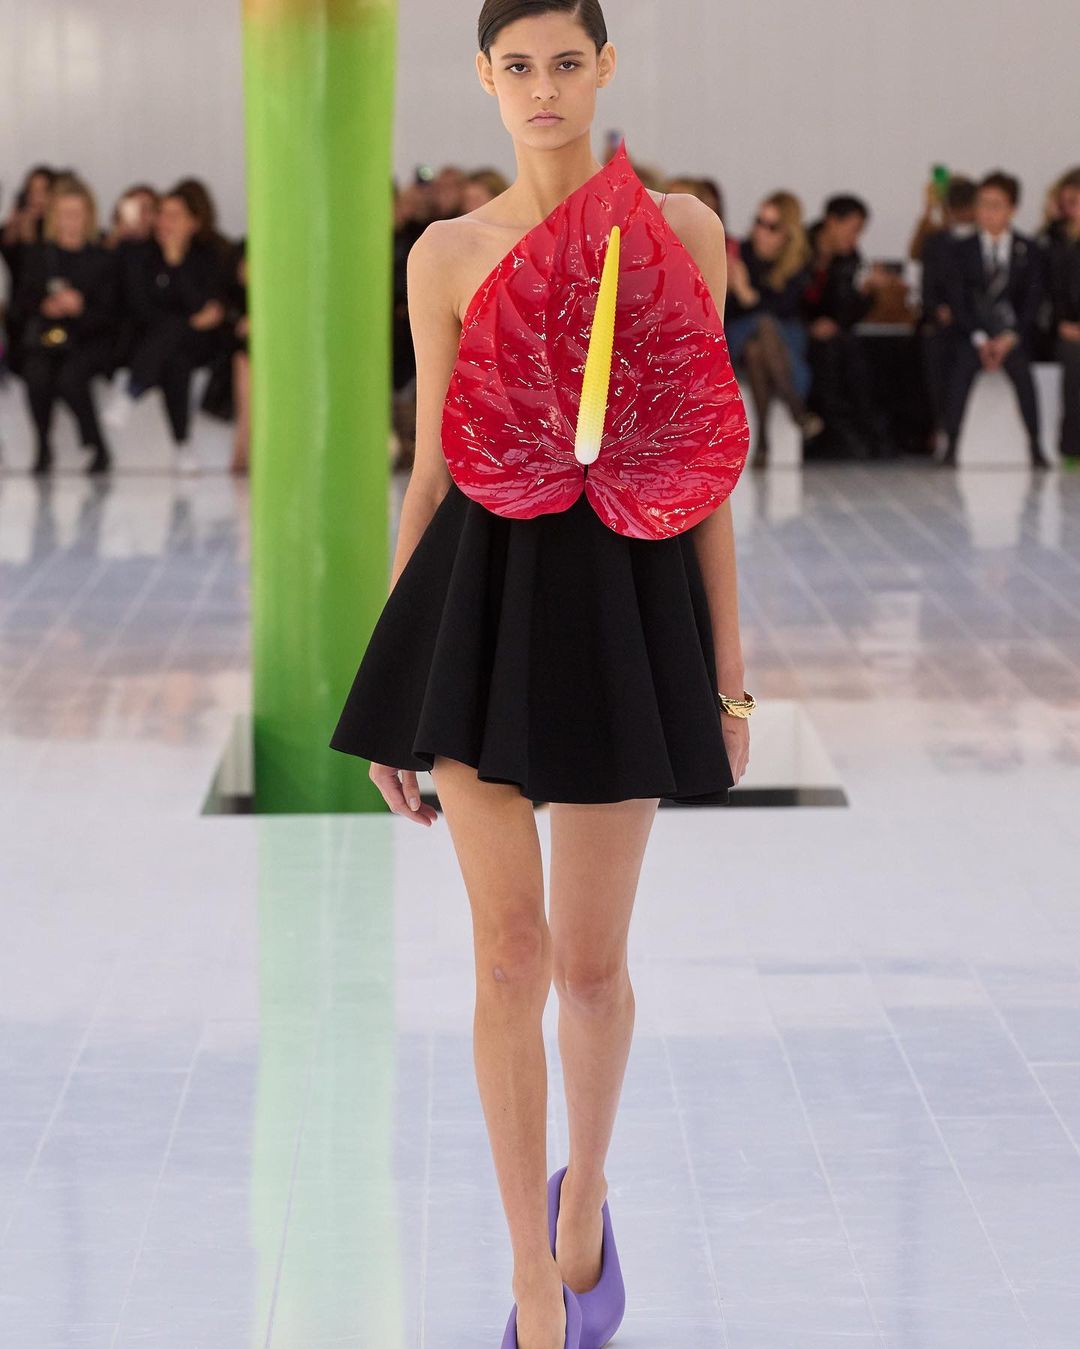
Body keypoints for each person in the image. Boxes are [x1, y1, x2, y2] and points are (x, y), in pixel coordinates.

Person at [328, 3, 754, 1347]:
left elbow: (700, 457)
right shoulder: (446, 252)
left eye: (567, 62)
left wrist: (729, 676)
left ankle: (589, 1197)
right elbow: (430, 467)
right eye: (517, 67)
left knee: (591, 966)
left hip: (625, 598)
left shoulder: (679, 230)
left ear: (605, 68)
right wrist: (398, 681)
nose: (543, 88)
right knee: (508, 957)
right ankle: (530, 1272)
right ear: (485, 80)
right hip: (481, 602)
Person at [103, 183, 228, 474]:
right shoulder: (143, 254)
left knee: (175, 331)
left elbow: (206, 308)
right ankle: (182, 444)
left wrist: (176, 264)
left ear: (194, 223)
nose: (164, 222)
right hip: (159, 346)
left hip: (200, 345)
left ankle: (132, 391)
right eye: (162, 214)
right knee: (176, 362)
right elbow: (141, 308)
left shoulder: (209, 256)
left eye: (174, 216)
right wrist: (187, 320)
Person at [8, 174, 118, 475]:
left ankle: (96, 445)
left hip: (89, 339)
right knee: (37, 372)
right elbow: (20, 304)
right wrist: (46, 306)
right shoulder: (39, 255)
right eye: (65, 213)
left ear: (89, 215)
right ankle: (43, 444)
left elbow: (113, 315)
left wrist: (80, 308)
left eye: (77, 213)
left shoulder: (102, 259)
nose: (71, 221)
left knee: (70, 375)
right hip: (47, 337)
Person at [940, 170, 1049, 469]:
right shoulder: (960, 250)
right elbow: (958, 300)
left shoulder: (1029, 250)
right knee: (959, 371)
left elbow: (1032, 301)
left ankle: (1035, 445)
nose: (987, 212)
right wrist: (980, 338)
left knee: (1024, 375)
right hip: (973, 334)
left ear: (1012, 209)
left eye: (995, 205)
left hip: (1012, 335)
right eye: (982, 204)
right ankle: (952, 444)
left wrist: (1009, 338)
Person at [724, 191, 822, 466]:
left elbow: (783, 308)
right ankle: (798, 410)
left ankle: (763, 443)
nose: (761, 231)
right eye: (758, 222)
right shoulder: (740, 254)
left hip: (783, 339)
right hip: (741, 333)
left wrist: (746, 293)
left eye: (771, 226)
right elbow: (731, 309)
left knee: (758, 348)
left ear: (787, 233)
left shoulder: (797, 263)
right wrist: (739, 291)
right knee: (762, 326)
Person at [802, 194, 892, 458]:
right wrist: (809, 325)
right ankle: (836, 432)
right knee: (832, 355)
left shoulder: (849, 258)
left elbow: (845, 313)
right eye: (853, 229)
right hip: (797, 329)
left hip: (831, 335)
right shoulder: (799, 248)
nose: (855, 238)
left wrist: (865, 293)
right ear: (832, 222)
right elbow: (788, 296)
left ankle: (861, 432)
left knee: (854, 353)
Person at [912, 174, 977, 452]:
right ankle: (943, 427)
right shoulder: (935, 241)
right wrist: (937, 310)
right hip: (945, 323)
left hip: (975, 324)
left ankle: (950, 430)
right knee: (934, 350)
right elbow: (928, 288)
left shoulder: (986, 241)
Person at [1047, 182, 1080, 464]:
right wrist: (1062, 324)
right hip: (1068, 329)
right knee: (1073, 357)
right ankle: (1072, 446)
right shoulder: (1058, 244)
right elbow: (1052, 294)